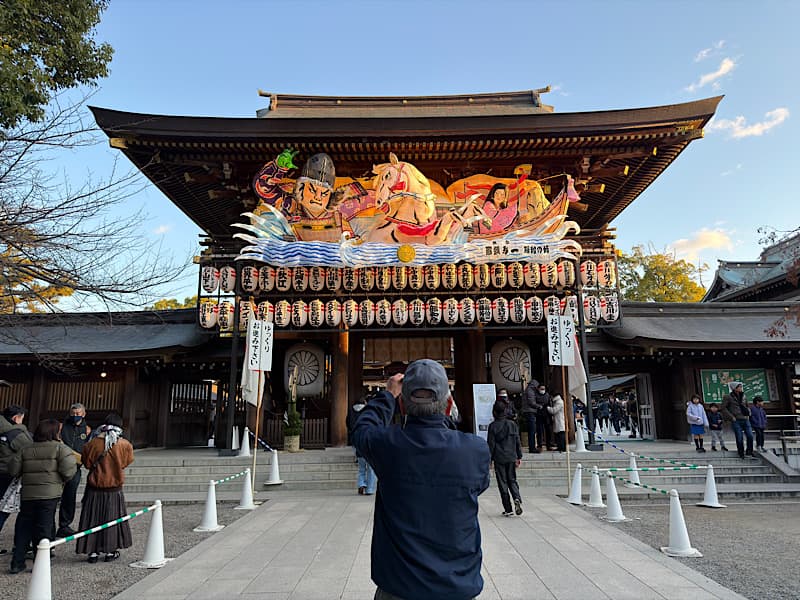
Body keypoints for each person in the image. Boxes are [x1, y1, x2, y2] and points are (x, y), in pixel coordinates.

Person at [352, 359, 490, 600]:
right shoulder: (475, 451)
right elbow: (480, 486)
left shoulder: (388, 446)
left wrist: (387, 396)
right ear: (448, 405)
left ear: (402, 406)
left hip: (399, 586)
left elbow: (362, 428)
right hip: (457, 586)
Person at [8, 419, 76, 574]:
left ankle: (17, 562)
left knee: (24, 527)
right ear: (55, 432)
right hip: (49, 494)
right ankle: (40, 563)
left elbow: (13, 470)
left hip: (28, 495)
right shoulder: (61, 449)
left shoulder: (25, 449)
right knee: (44, 528)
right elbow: (68, 471)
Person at [76, 414, 134, 563]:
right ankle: (110, 550)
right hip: (113, 487)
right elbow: (126, 462)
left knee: (92, 518)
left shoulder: (91, 444)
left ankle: (92, 552)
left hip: (95, 486)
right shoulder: (124, 444)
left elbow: (87, 464)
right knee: (112, 518)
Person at [0, 406, 33, 553]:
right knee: (4, 509)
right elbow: (30, 450)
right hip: (9, 473)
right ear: (16, 418)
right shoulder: (15, 433)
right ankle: (20, 546)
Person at [57, 402, 91, 538]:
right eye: (73, 414)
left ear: (83, 414)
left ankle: (64, 525)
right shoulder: (61, 427)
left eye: (78, 414)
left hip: (75, 468)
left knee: (69, 497)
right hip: (59, 466)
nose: (75, 416)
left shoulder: (87, 430)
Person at [487, 401, 523, 517]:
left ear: (494, 412)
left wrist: (489, 459)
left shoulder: (493, 426)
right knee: (512, 479)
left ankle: (508, 508)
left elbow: (491, 445)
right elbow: (517, 441)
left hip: (499, 457)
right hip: (511, 456)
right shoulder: (512, 424)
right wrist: (519, 456)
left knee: (502, 482)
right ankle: (516, 498)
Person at [347, 396, 376, 495]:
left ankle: (361, 484)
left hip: (357, 440)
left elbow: (348, 422)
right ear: (364, 402)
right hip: (368, 444)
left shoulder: (351, 410)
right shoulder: (368, 410)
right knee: (371, 469)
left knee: (361, 468)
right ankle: (370, 489)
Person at [721, 382, 755, 459]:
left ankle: (749, 451)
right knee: (739, 437)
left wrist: (748, 412)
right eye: (739, 387)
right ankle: (741, 452)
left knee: (750, 435)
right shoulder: (728, 397)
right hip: (736, 419)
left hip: (745, 418)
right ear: (734, 388)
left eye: (741, 387)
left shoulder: (743, 396)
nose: (740, 388)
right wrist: (731, 417)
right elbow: (723, 408)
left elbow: (747, 405)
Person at [522, 380, 540, 453]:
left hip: (528, 411)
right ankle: (532, 448)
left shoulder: (528, 389)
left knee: (531, 430)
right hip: (530, 411)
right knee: (532, 430)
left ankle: (532, 447)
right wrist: (539, 406)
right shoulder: (530, 391)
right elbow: (531, 402)